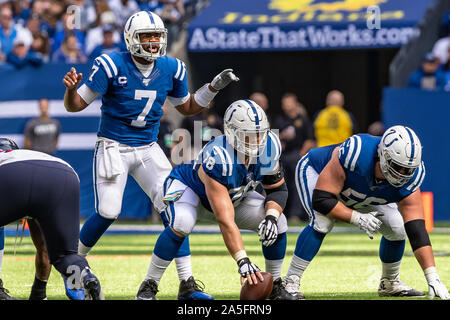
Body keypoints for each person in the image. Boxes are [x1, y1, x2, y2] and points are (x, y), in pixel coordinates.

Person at [62, 10, 239, 300]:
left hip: (147, 147)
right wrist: (70, 91)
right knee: (108, 211)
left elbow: (188, 107)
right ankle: (72, 266)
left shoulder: (172, 68)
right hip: (113, 146)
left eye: (157, 36)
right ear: (131, 39)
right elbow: (76, 105)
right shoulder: (110, 64)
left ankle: (187, 283)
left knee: (176, 210)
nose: (154, 41)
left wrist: (212, 88)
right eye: (147, 36)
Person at [135, 99, 294, 300]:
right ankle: (148, 286)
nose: (256, 141)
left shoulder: (269, 146)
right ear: (231, 132)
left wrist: (270, 216)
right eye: (248, 135)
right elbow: (225, 220)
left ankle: (275, 287)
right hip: (190, 191)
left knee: (278, 222)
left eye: (259, 134)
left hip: (233, 196)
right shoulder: (219, 157)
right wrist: (242, 260)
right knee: (182, 222)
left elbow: (278, 190)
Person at [279, 126, 450, 300]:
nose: (402, 175)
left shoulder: (412, 177)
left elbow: (417, 230)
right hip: (317, 172)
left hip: (364, 190)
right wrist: (356, 218)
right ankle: (290, 281)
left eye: (408, 170)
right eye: (397, 167)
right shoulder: (356, 153)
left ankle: (389, 282)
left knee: (398, 228)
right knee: (322, 222)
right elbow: (322, 200)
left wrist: (432, 277)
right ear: (383, 155)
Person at [0, 137, 104, 300]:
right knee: (65, 255)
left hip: (11, 174)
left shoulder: (8, 162)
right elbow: (43, 248)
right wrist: (38, 293)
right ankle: (85, 275)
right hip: (63, 173)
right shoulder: (27, 155)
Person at [273, 93, 315, 222]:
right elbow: (272, 137)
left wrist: (301, 154)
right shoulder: (279, 120)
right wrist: (282, 137)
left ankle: (296, 214)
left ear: (295, 103)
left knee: (297, 186)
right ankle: (280, 212)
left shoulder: (303, 120)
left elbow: (310, 140)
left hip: (297, 155)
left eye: (288, 103)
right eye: (284, 103)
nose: (286, 106)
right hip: (282, 157)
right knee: (281, 185)